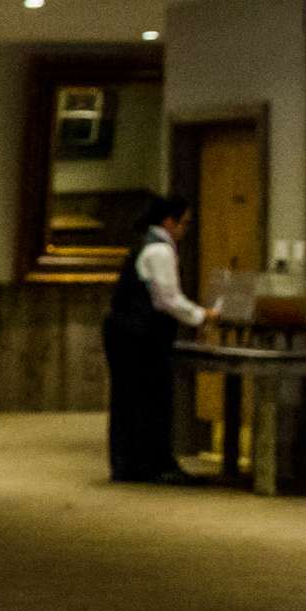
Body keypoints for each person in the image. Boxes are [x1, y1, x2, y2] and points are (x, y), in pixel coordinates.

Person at [103, 194, 209, 485]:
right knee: (151, 397)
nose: (186, 230)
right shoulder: (160, 251)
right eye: (184, 223)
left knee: (126, 399)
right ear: (169, 221)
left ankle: (127, 463)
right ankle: (153, 463)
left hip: (122, 329)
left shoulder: (143, 244)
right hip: (140, 333)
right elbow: (167, 299)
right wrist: (201, 315)